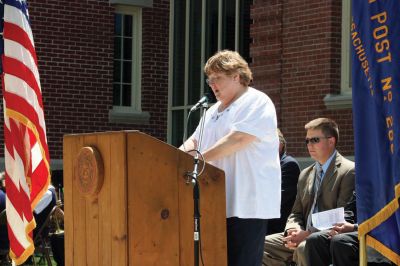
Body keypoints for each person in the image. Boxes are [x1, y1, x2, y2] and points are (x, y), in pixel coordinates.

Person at [180, 50, 281, 266]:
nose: (212, 84)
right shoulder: (213, 110)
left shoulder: (256, 101)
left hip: (246, 204)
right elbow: (193, 143)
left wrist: (198, 161)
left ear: (236, 76)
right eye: (210, 79)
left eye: (217, 78)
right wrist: (171, 160)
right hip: (215, 202)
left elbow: (239, 139)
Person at [263, 117, 355, 266]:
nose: (309, 145)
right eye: (307, 141)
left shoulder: (349, 171)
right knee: (261, 247)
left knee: (303, 248)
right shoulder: (305, 173)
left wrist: (307, 234)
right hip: (301, 233)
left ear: (331, 141)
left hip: (325, 238)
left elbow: (341, 216)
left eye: (315, 140)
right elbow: (296, 212)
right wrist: (292, 229)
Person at [305, 191, 394, 266]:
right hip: (358, 230)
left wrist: (354, 227)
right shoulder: (366, 178)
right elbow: (350, 211)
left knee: (340, 241)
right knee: (315, 240)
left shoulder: (391, 177)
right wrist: (339, 227)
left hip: (382, 232)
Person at [266, 129, 300, 235]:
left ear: (280, 145)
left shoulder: (288, 165)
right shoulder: (264, 165)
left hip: (277, 228)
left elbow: (277, 200)